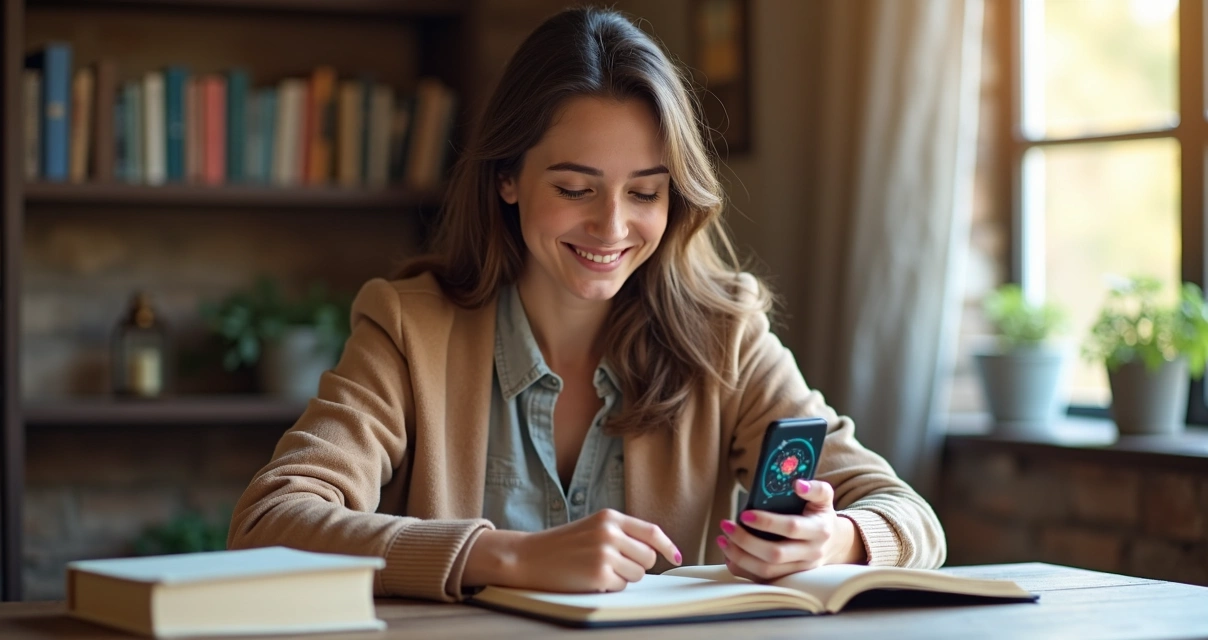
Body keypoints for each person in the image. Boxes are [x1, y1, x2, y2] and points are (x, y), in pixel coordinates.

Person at [227, 6, 946, 602]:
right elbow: (268, 521)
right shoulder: (408, 326)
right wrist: (505, 557)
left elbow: (911, 519)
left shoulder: (723, 335)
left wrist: (838, 537)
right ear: (507, 177)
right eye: (574, 188)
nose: (611, 227)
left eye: (645, 192)